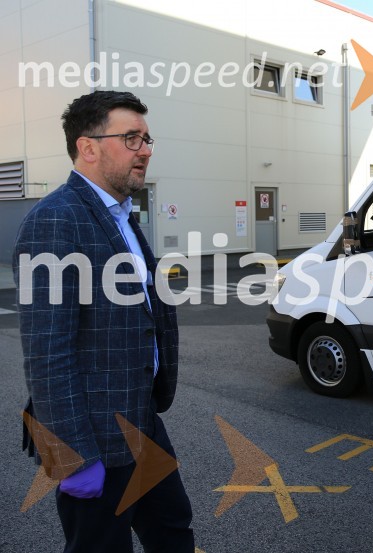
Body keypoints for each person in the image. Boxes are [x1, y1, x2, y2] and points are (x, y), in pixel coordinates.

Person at [14, 91, 194, 552]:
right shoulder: (56, 220)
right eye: (131, 138)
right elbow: (47, 351)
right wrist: (72, 456)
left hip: (140, 420)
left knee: (172, 530)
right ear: (87, 147)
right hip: (93, 435)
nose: (146, 149)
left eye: (147, 138)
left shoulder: (121, 215)